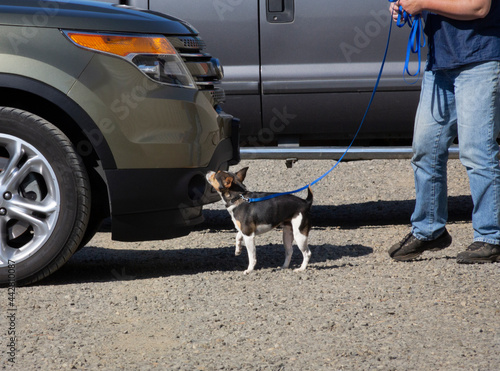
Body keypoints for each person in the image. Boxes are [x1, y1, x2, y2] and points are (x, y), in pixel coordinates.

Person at [388, 0, 500, 263]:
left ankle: (490, 237)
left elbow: (479, 7)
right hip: (440, 64)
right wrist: (405, 7)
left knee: (477, 152)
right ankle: (429, 230)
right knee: (425, 149)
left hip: (479, 58)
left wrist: (422, 3)